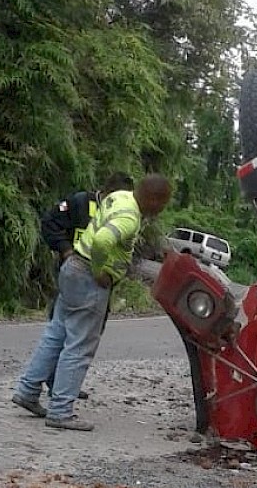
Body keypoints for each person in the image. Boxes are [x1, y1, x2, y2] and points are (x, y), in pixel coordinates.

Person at [11, 174, 173, 431]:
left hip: (72, 267)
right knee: (79, 345)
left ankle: (28, 391)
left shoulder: (119, 197)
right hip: (89, 276)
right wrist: (100, 270)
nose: (162, 209)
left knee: (56, 333)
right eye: (163, 204)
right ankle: (61, 411)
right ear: (153, 200)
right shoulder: (129, 217)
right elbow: (102, 240)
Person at [40, 172, 134, 398]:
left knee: (84, 334)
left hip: (100, 281)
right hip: (76, 272)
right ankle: (55, 385)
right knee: (64, 332)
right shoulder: (80, 202)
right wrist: (65, 250)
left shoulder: (120, 212)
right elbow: (49, 222)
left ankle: (62, 384)